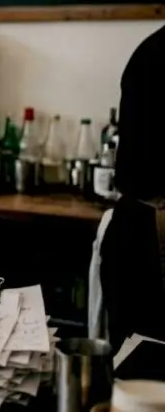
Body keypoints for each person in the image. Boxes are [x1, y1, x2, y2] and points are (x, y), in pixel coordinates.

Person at [89, 23, 165, 351]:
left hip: (137, 226)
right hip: (149, 233)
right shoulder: (155, 54)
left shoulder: (151, 50)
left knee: (134, 383)